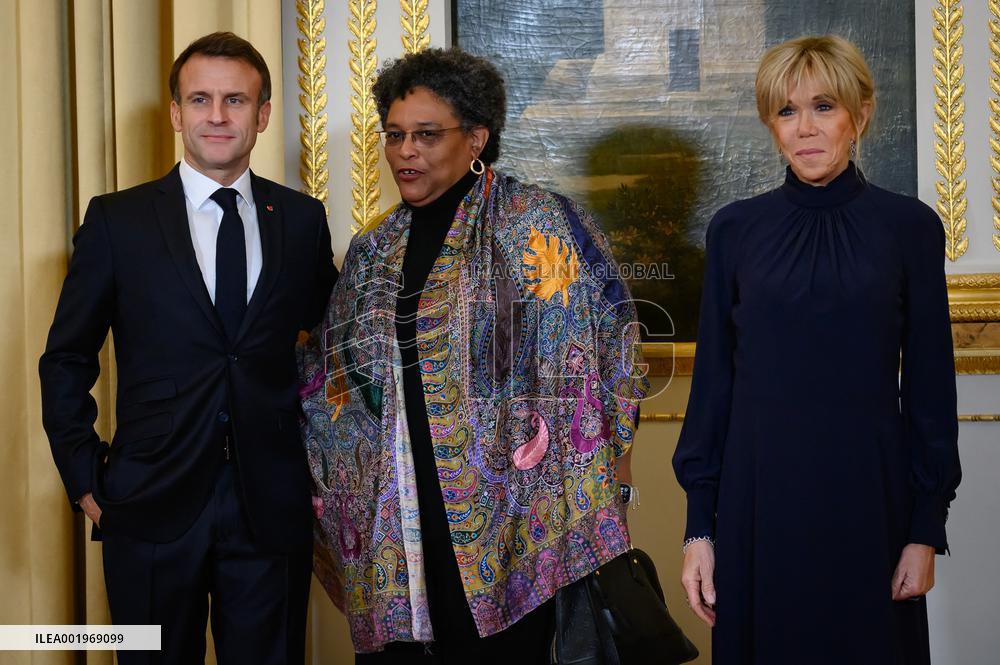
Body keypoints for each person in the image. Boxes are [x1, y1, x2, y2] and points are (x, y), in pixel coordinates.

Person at [298, 47, 649, 663]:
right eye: (396, 135)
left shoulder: (536, 223)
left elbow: (606, 348)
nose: (406, 150)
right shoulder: (371, 250)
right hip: (400, 522)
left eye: (427, 135)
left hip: (517, 518)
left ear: (477, 138)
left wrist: (612, 482)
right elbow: (335, 380)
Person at [39, 32, 337, 665]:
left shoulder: (303, 220)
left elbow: (338, 344)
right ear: (176, 113)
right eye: (200, 99)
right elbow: (66, 358)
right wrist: (87, 480)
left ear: (262, 115)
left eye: (236, 100)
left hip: (270, 505)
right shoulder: (118, 222)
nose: (218, 115)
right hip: (147, 502)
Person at [673, 35, 962, 664]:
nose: (804, 128)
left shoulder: (909, 228)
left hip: (871, 509)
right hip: (757, 509)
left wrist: (924, 530)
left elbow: (932, 391)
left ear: (860, 115)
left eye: (823, 106)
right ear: (770, 124)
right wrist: (700, 528)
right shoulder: (735, 231)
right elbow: (713, 389)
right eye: (786, 111)